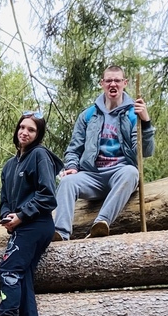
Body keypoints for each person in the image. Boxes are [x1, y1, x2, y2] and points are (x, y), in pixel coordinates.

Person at [0, 111, 63, 316]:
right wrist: (7, 216)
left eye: (31, 129)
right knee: (23, 276)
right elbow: (5, 200)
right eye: (22, 127)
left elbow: (48, 196)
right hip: (21, 226)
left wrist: (22, 215)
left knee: (9, 269)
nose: (25, 132)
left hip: (37, 224)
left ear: (38, 135)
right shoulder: (9, 166)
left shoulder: (40, 155)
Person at [53, 65, 155, 240]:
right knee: (67, 181)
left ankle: (100, 224)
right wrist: (72, 166)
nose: (112, 84)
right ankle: (61, 234)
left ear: (125, 83)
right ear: (102, 83)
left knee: (131, 172)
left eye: (117, 80)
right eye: (108, 80)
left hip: (120, 174)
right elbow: (74, 149)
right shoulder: (88, 115)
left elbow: (145, 152)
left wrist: (145, 123)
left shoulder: (134, 114)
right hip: (92, 176)